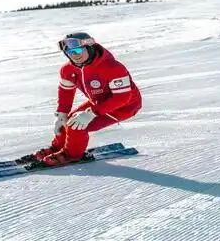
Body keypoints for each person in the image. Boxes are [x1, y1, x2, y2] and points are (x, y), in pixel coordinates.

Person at [30, 32, 143, 166]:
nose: (74, 55)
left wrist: (91, 113)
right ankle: (57, 148)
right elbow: (66, 92)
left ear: (90, 47)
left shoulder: (113, 67)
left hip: (125, 106)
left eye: (78, 50)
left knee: (76, 125)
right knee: (68, 120)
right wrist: (62, 114)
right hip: (99, 102)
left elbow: (122, 97)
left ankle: (72, 155)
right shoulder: (68, 70)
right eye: (70, 52)